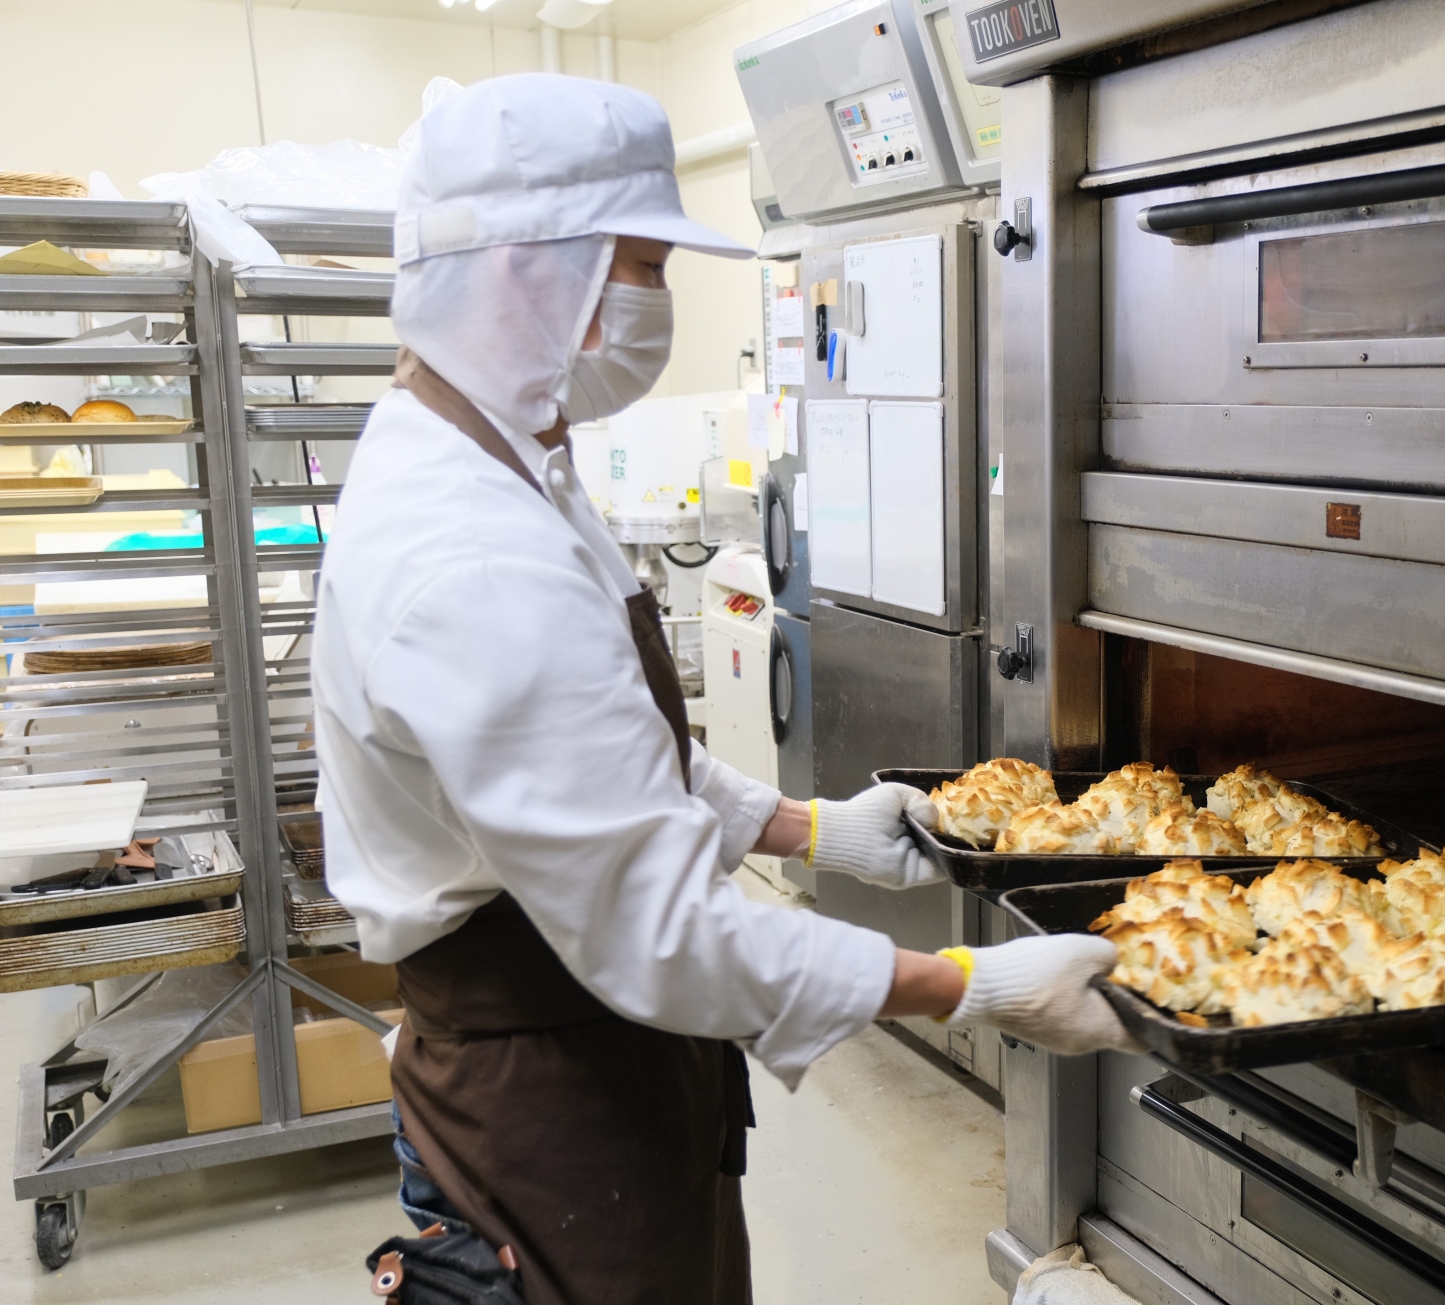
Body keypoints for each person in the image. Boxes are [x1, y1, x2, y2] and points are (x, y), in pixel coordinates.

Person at [312, 73, 1139, 1305]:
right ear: (530, 274)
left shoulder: (506, 459)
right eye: (639, 268)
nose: (651, 305)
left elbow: (614, 754)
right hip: (544, 1095)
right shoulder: (471, 557)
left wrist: (809, 829)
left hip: (600, 1045)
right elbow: (665, 932)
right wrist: (973, 988)